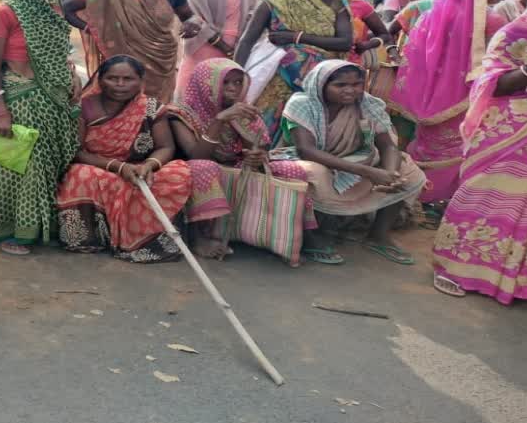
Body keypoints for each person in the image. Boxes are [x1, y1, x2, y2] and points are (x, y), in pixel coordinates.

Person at [431, 0, 527, 303]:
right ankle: (455, 266)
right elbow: (493, 85)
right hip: (511, 133)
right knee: (488, 199)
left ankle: (524, 274)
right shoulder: (519, 31)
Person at [58, 55, 229, 262]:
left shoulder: (150, 107)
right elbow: (76, 152)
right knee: (80, 175)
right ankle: (90, 239)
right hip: (99, 166)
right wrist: (118, 167)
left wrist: (150, 165)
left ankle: (171, 238)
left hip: (140, 169)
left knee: (178, 174)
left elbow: (165, 147)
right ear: (100, 80)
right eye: (112, 78)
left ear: (140, 81)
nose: (120, 85)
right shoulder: (83, 107)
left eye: (128, 79)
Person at [270, 61, 426, 265]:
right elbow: (306, 150)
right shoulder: (302, 103)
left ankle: (378, 236)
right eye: (341, 85)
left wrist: (390, 175)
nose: (350, 90)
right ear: (321, 85)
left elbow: (387, 145)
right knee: (314, 172)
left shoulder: (368, 104)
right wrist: (369, 172)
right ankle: (310, 237)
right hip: (306, 159)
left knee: (405, 168)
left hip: (354, 159)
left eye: (357, 84)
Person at [168, 57, 316, 264]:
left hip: (234, 168)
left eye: (238, 82)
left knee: (294, 170)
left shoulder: (244, 111)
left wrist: (255, 155)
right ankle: (198, 236)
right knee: (204, 167)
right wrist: (220, 119)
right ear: (204, 84)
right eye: (225, 83)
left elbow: (259, 149)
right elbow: (197, 155)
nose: (233, 88)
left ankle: (293, 235)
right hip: (196, 169)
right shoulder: (180, 113)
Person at [0, 0, 79, 254]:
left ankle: (42, 225)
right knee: (26, 164)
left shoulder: (53, 9)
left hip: (55, 97)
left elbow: (60, 54)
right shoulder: (4, 12)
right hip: (21, 97)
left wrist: (72, 74)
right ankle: (15, 230)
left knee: (50, 163)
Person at [389, 0, 506, 211]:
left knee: (426, 143)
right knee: (456, 145)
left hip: (428, 95)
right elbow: (501, 58)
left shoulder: (429, 14)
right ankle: (442, 198)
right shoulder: (490, 19)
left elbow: (416, 55)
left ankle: (413, 195)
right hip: (465, 94)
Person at [235, 0, 353, 141]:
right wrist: (237, 76)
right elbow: (247, 40)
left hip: (319, 82)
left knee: (310, 133)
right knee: (265, 129)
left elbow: (344, 43)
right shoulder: (273, 1)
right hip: (276, 80)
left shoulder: (336, 5)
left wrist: (296, 37)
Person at [62, 0, 201, 101]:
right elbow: (67, 8)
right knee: (120, 104)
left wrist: (192, 23)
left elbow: (189, 16)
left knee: (154, 112)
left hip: (162, 62)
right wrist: (90, 29)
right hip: (124, 59)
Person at [324, 0, 396, 65]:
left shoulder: (361, 6)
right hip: (315, 62)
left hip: (350, 66)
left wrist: (368, 44)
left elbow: (384, 35)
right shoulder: (312, 3)